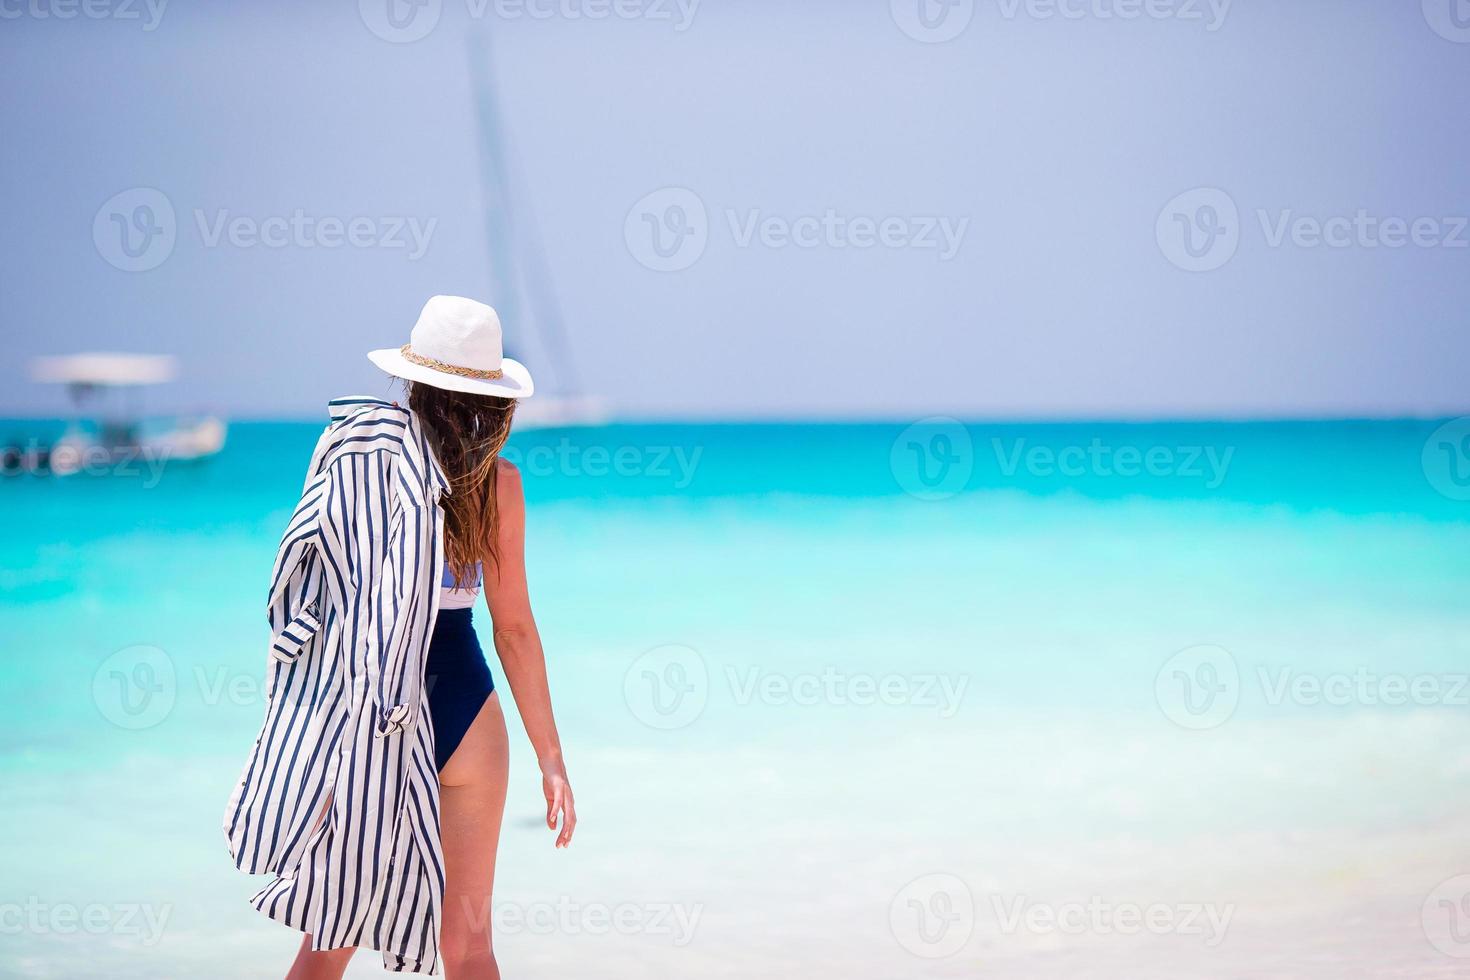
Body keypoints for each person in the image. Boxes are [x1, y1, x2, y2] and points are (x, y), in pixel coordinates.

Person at [224, 295, 576, 978]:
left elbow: (306, 577)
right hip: (468, 708)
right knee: (469, 946)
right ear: (494, 397)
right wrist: (551, 760)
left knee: (329, 939)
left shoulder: (362, 459)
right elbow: (514, 630)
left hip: (373, 705)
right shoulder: (497, 483)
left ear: (413, 380)